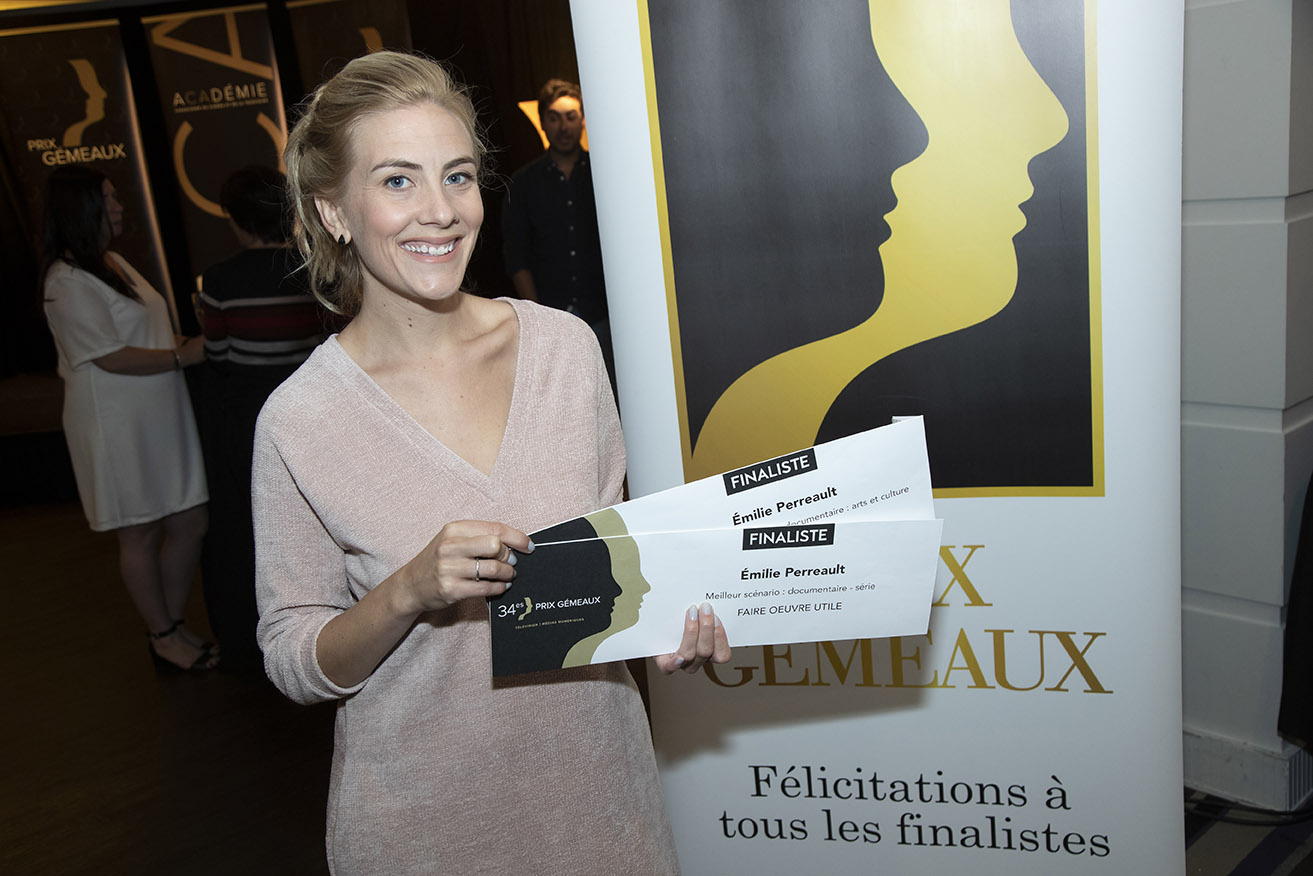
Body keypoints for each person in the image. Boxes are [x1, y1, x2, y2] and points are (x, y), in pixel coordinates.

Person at [256, 51, 729, 874]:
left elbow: (608, 568)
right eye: (397, 181)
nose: (440, 212)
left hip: (600, 809)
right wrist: (407, 590)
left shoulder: (564, 351)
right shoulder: (301, 420)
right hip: (424, 833)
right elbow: (296, 661)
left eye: (458, 176)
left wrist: (663, 622)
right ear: (333, 210)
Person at [41, 165, 216, 672]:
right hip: (115, 423)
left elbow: (148, 334)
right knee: (137, 533)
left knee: (189, 520)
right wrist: (186, 355)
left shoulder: (112, 262)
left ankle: (170, 624)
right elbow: (110, 356)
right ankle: (164, 636)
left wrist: (191, 343)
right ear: (82, 209)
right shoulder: (64, 281)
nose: (119, 206)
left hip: (158, 413)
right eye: (109, 199)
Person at [196, 165, 328, 671]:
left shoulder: (220, 280)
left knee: (250, 531)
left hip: (247, 418)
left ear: (235, 219)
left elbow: (217, 353)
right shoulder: (310, 269)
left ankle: (254, 642)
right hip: (311, 413)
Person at [501, 78, 612, 370]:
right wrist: (539, 318)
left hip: (606, 317)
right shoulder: (523, 184)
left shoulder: (606, 176)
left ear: (583, 121)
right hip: (550, 318)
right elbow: (517, 256)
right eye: (554, 118)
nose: (563, 127)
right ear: (542, 122)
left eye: (571, 117)